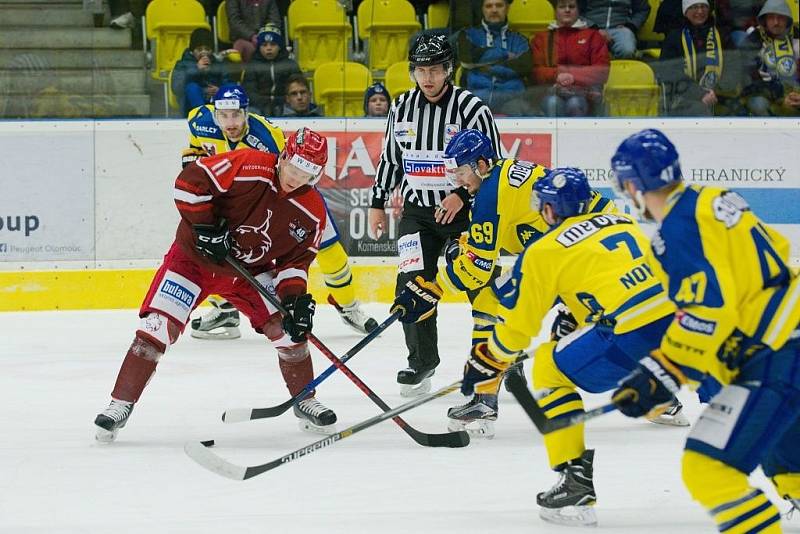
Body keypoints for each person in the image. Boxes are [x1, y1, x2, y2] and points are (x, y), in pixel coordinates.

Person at [447, 167, 681, 525]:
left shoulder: (545, 249)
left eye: (541, 204)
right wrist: (581, 313)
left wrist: (490, 359)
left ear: (551, 210)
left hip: (632, 332)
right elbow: (618, 278)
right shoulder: (620, 220)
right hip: (686, 323)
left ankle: (575, 480)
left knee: (548, 366)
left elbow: (517, 330)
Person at [94, 128, 339, 442]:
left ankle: (305, 400)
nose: (297, 176)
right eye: (294, 165)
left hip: (248, 273)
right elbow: (190, 182)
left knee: (289, 331)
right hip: (193, 261)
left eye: (308, 172)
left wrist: (293, 300)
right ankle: (120, 404)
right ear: (284, 156)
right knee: (157, 329)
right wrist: (205, 227)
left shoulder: (312, 212)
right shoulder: (249, 165)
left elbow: (295, 262)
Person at [610, 129, 800, 532]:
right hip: (789, 327)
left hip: (779, 351)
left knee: (707, 468)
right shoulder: (712, 197)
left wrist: (662, 372)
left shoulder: (676, 229)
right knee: (784, 459)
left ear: (632, 184)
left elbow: (705, 311)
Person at [390, 130, 624, 439]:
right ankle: (662, 395)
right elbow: (511, 235)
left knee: (494, 302)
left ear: (482, 164)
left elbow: (478, 268)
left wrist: (433, 288)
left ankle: (483, 396)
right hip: (596, 240)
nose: (458, 180)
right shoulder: (500, 177)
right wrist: (466, 245)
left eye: (461, 171)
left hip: (581, 250)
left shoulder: (491, 194)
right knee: (608, 326)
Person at [183, 85, 379, 339]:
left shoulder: (266, 137)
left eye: (236, 115)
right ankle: (225, 310)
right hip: (235, 201)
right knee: (213, 249)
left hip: (287, 196)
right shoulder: (198, 122)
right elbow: (195, 154)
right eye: (223, 116)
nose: (230, 123)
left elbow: (288, 179)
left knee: (331, 251)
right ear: (214, 113)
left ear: (246, 112)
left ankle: (349, 306)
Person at [368, 33, 501, 397]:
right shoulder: (401, 106)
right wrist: (378, 204)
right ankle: (421, 361)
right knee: (412, 286)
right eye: (420, 70)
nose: (427, 78)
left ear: (449, 70)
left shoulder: (472, 109)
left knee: (479, 284)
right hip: (417, 213)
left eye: (435, 70)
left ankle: (499, 357)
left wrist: (461, 193)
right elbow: (392, 159)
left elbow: (493, 165)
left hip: (465, 215)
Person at [658, 0, 741, 116]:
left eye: (703, 6)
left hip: (719, 96)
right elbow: (669, 72)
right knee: (698, 109)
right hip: (684, 99)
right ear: (685, 11)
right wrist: (700, 93)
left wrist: (716, 90)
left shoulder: (721, 34)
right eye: (694, 7)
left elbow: (734, 65)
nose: (700, 11)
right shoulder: (674, 37)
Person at [531, 0, 610, 117]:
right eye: (562, 6)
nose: (567, 10)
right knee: (552, 103)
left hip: (584, 94)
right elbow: (535, 71)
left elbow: (602, 71)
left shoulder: (593, 36)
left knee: (575, 103)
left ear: (578, 11)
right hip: (552, 92)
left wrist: (573, 77)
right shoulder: (541, 38)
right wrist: (556, 75)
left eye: (571, 7)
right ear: (555, 11)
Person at [456, 0, 534, 115]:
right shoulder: (468, 34)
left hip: (510, 97)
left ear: (507, 8)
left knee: (527, 112)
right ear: (482, 9)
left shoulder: (520, 40)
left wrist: (488, 67)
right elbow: (467, 58)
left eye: (499, 5)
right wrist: (505, 54)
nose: (494, 10)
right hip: (477, 97)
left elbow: (524, 66)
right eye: (489, 6)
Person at [740, 0, 800, 115]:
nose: (776, 22)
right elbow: (747, 79)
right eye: (771, 17)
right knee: (758, 104)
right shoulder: (753, 40)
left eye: (781, 17)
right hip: (765, 94)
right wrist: (781, 97)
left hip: (796, 94)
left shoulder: (797, 35)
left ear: (788, 19)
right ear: (764, 20)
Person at [242, 24, 302, 116]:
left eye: (273, 44)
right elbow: (249, 91)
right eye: (264, 45)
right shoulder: (252, 65)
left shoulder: (290, 64)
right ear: (259, 47)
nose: (269, 48)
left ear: (280, 46)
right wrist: (266, 104)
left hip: (285, 105)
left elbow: (296, 87)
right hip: (258, 107)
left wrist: (281, 103)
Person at [171, 28, 232, 116]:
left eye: (207, 49)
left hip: (218, 104)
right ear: (192, 51)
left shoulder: (218, 64)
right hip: (191, 108)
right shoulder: (182, 64)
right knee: (192, 88)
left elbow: (228, 82)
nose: (204, 52)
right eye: (199, 49)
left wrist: (220, 90)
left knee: (231, 87)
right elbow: (176, 88)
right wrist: (196, 69)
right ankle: (205, 116)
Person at [580, 0, 651, 58]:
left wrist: (631, 26)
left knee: (627, 50)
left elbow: (643, 9)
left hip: (620, 28)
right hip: (589, 27)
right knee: (580, 53)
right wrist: (593, 28)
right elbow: (574, 10)